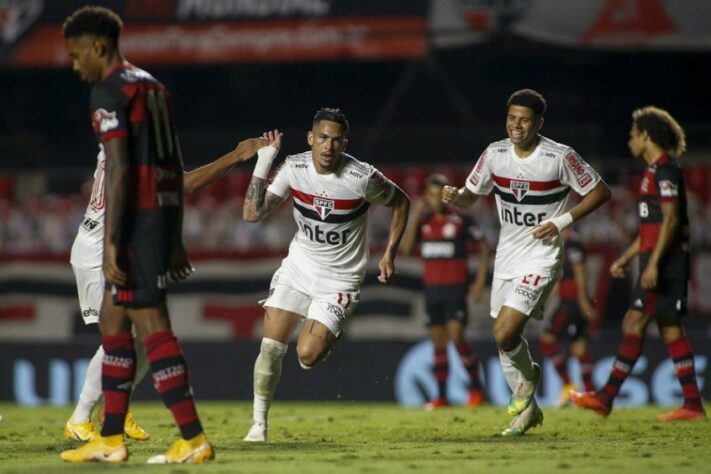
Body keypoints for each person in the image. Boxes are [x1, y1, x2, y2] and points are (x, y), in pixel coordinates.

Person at [60, 6, 231, 463]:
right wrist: (173, 237)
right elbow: (173, 169)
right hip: (156, 222)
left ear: (98, 46)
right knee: (116, 330)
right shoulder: (153, 87)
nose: (75, 66)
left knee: (152, 329)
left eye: (77, 55)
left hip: (132, 225)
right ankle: (110, 439)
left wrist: (114, 241)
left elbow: (117, 171)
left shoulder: (108, 90)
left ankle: (193, 439)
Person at [64, 141, 266, 443]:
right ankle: (80, 418)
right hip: (100, 254)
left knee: (146, 335)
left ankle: (114, 410)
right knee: (118, 338)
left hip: (119, 249)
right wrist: (236, 156)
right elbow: (188, 185)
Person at [442, 89, 610, 436]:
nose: (516, 125)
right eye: (511, 118)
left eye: (524, 119)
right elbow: (470, 195)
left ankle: (529, 377)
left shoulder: (559, 156)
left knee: (504, 331)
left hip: (542, 256)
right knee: (505, 340)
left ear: (539, 123)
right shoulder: (495, 154)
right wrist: (456, 197)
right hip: (507, 258)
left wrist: (561, 222)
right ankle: (529, 411)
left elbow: (600, 191)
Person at [241, 108, 410, 442]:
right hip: (299, 268)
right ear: (310, 139)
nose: (328, 146)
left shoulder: (361, 178)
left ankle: (323, 335)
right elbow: (251, 214)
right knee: (271, 346)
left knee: (307, 355)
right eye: (322, 138)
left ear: (345, 142)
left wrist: (390, 252)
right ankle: (258, 425)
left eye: (336, 140)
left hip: (339, 280)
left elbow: (402, 202)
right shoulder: (295, 168)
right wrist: (264, 161)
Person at [571, 107, 705, 421]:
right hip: (658, 260)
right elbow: (651, 227)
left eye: (633, 134)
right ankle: (692, 404)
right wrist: (628, 257)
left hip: (666, 263)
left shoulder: (665, 171)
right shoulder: (652, 172)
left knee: (635, 324)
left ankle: (605, 397)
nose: (630, 140)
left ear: (646, 136)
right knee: (670, 330)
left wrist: (653, 264)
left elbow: (671, 221)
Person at [400, 173, 489, 409]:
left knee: (457, 337)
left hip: (455, 290)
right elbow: (407, 249)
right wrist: (416, 217)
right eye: (430, 194)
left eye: (439, 194)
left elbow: (485, 249)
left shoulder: (461, 221)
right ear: (426, 198)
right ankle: (441, 396)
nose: (435, 199)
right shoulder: (425, 222)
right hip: (432, 291)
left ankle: (477, 389)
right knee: (438, 344)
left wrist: (479, 282)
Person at [538, 227, 597, 406]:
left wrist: (582, 301)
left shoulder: (572, 243)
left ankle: (569, 385)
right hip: (568, 301)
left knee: (547, 340)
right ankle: (589, 392)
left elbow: (580, 271)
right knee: (579, 348)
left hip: (571, 303)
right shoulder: (563, 242)